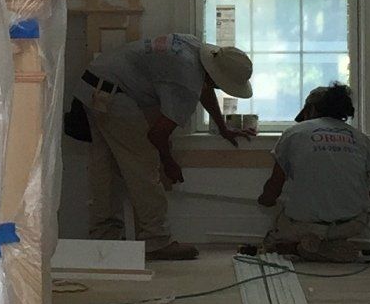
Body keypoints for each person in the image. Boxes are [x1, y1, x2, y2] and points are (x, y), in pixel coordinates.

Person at [81, 35, 253, 261]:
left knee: (105, 168)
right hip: (115, 98)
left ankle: (103, 241)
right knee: (144, 168)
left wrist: (222, 127)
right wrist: (169, 162)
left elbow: (204, 88)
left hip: (92, 86)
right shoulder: (186, 79)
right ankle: (156, 240)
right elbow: (157, 134)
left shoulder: (193, 47)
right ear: (216, 77)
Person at [258, 83, 370, 262]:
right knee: (345, 225)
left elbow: (275, 186)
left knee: (275, 233)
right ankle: (330, 247)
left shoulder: (293, 134)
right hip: (351, 225)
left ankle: (299, 246)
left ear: (311, 109)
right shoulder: (359, 138)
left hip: (303, 225)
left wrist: (265, 201)